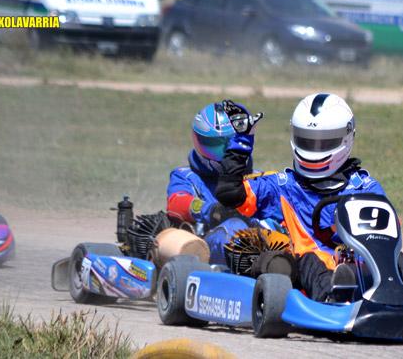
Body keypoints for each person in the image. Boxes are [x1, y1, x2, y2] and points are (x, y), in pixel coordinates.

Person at [215, 95, 388, 302]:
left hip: (362, 266)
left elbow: (385, 236)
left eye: (325, 141)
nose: (315, 149)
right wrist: (241, 142)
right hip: (310, 271)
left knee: (392, 258)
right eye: (307, 140)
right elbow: (229, 194)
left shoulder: (365, 188)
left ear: (347, 137)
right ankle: (332, 298)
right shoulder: (283, 186)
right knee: (309, 260)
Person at [166, 102, 255, 233]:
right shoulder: (186, 177)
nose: (225, 155)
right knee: (234, 227)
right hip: (206, 245)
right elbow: (176, 203)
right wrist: (212, 210)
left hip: (262, 245)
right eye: (214, 146)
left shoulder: (259, 180)